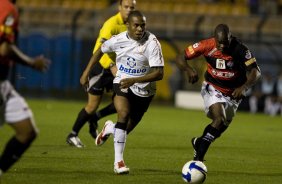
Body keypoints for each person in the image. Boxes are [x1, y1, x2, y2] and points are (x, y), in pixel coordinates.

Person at [80, 10, 164, 174]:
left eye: (143, 25)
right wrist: (86, 73)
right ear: (128, 26)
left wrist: (135, 80)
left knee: (125, 129)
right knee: (123, 115)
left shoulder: (152, 42)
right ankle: (118, 162)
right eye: (136, 25)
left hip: (145, 91)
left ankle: (110, 128)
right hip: (122, 81)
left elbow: (159, 73)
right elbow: (100, 50)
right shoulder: (117, 40)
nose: (140, 29)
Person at [176, 24, 261, 162]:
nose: (222, 46)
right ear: (214, 38)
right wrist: (188, 69)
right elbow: (180, 56)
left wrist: (244, 87)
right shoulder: (205, 45)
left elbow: (255, 72)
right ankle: (198, 161)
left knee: (219, 129)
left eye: (225, 42)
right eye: (219, 42)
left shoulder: (240, 49)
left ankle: (199, 142)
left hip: (234, 94)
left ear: (230, 37)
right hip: (213, 87)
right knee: (219, 119)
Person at [66, 0, 136, 148]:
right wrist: (111, 65)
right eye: (126, 7)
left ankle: (96, 118)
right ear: (119, 8)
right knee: (91, 106)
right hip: (103, 69)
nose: (129, 10)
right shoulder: (111, 24)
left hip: (119, 70)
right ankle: (72, 134)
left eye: (132, 7)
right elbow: (99, 49)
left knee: (124, 101)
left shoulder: (132, 25)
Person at [0, 0, 50, 176]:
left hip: (3, 85)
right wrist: (31, 62)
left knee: (26, 131)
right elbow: (4, 49)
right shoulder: (6, 7)